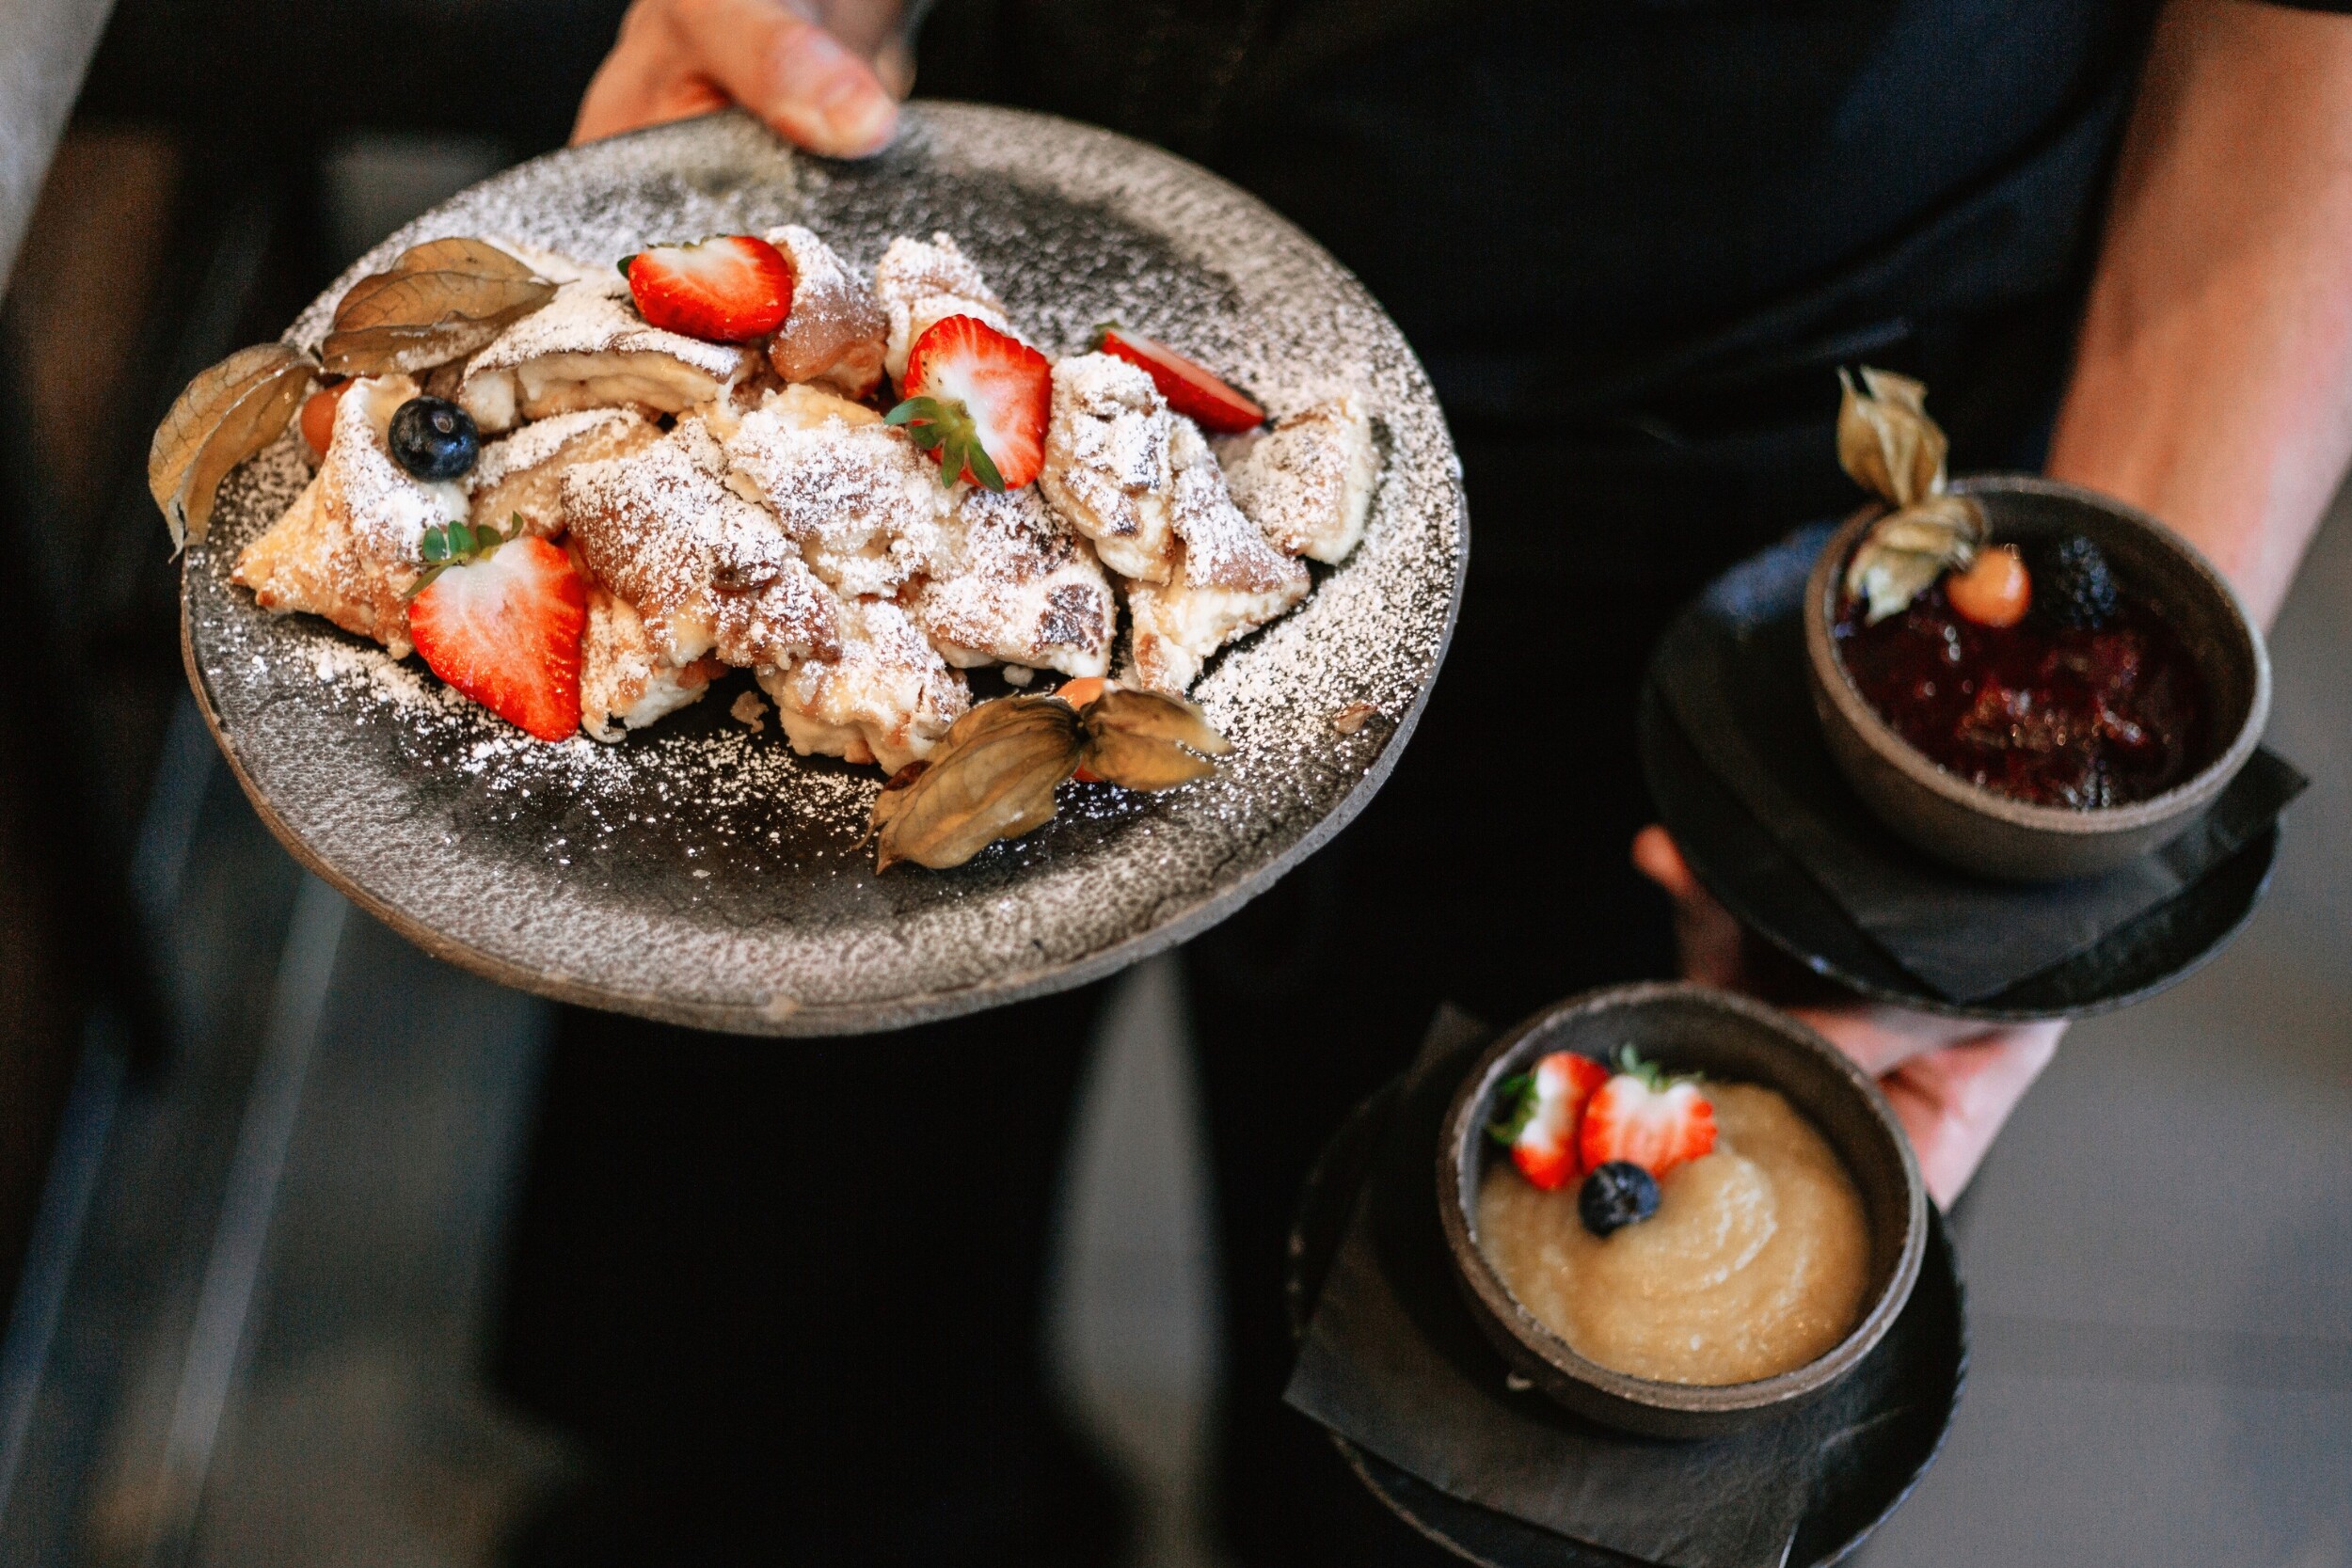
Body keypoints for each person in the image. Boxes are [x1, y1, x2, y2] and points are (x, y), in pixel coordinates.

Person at [495, 2, 2352, 1563]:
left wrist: (2047, 809)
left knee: (1445, 1458)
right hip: (950, 252)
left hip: (1702, 463)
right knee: (777, 1377)